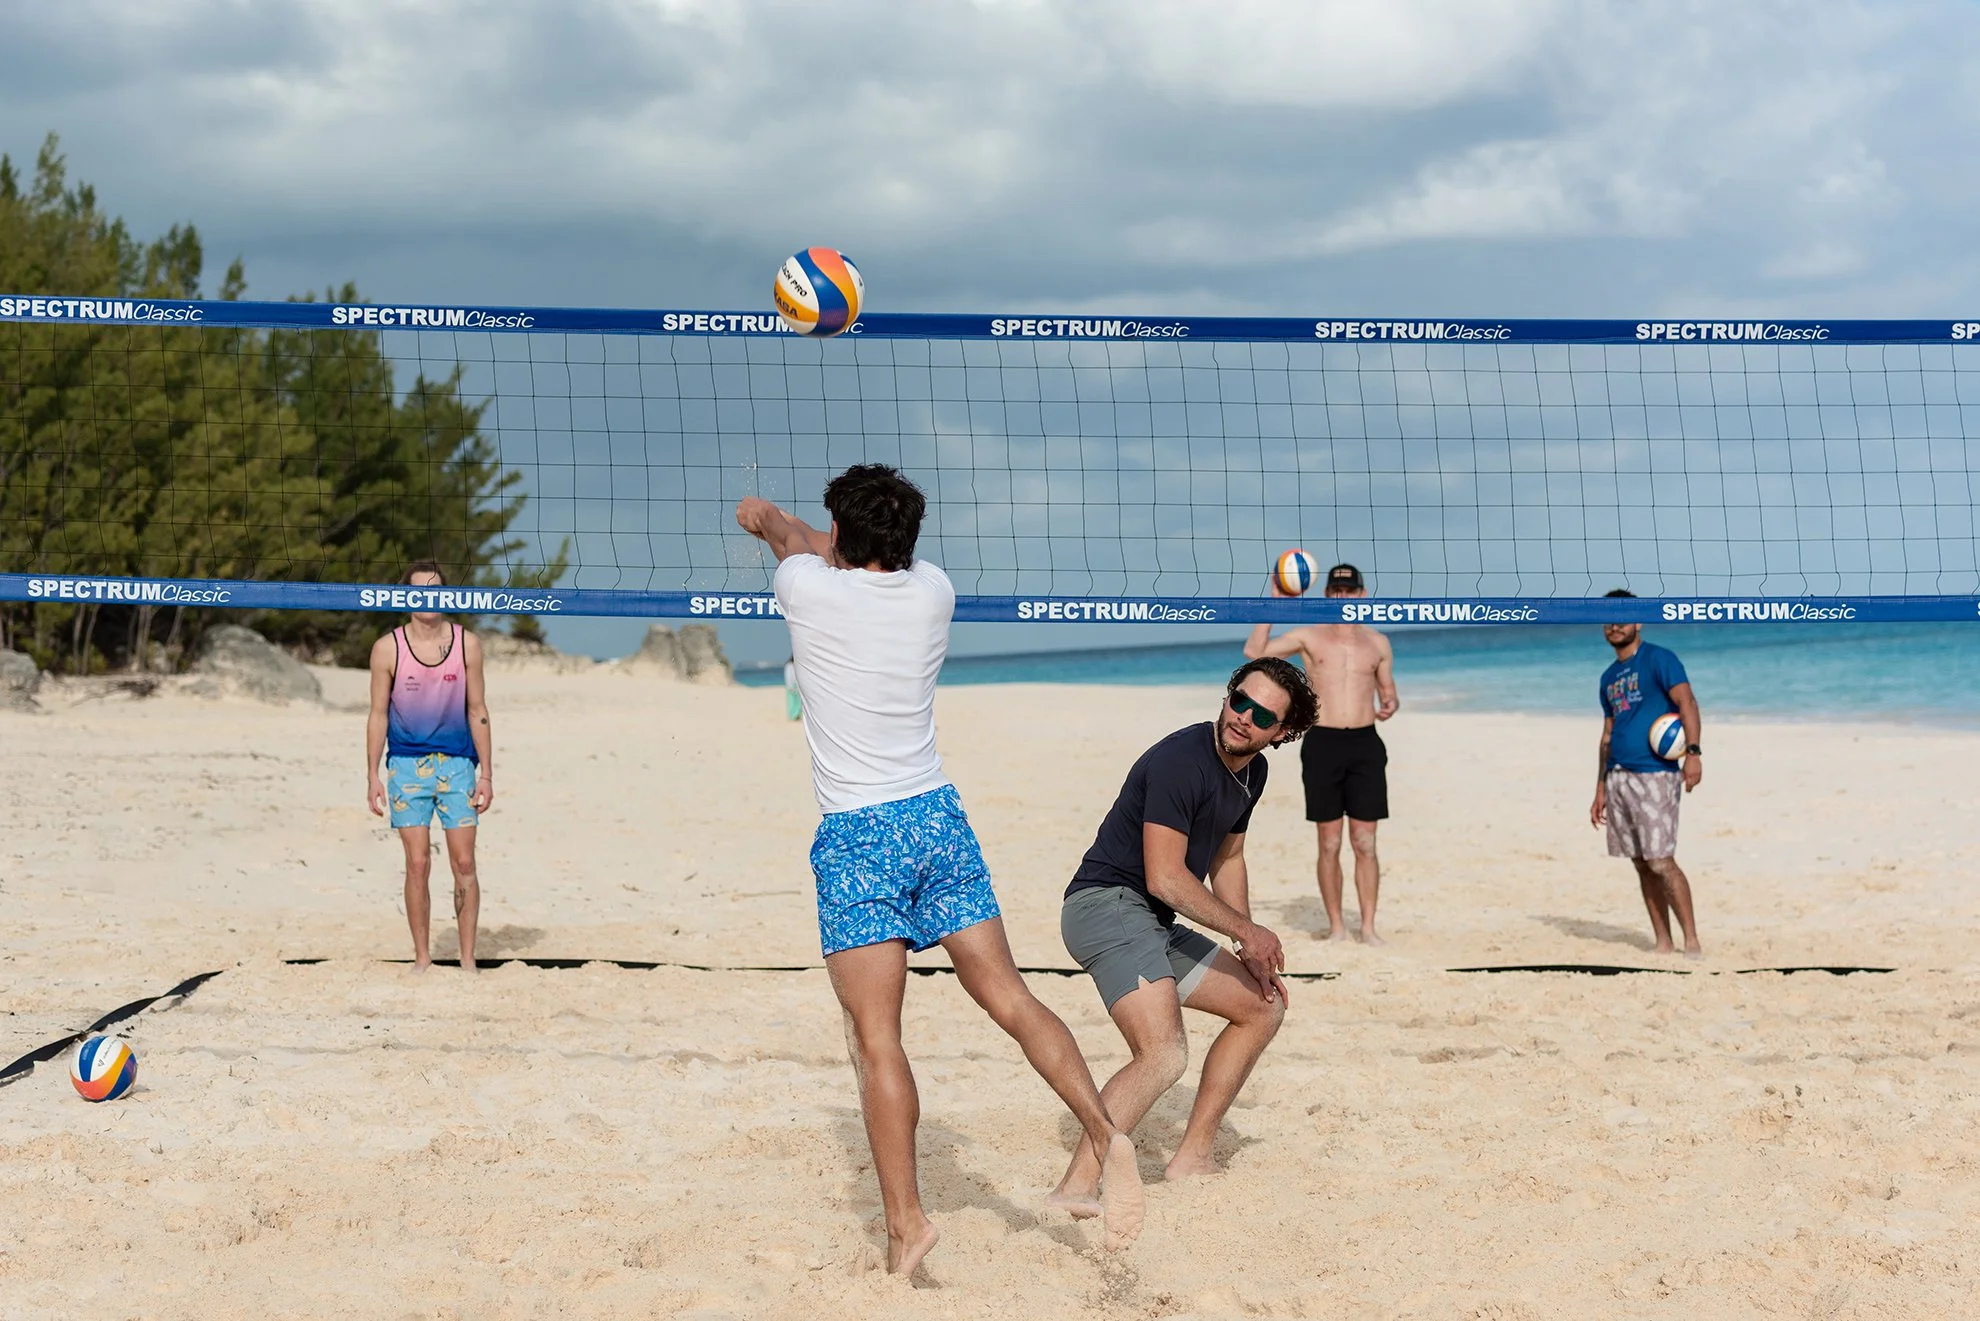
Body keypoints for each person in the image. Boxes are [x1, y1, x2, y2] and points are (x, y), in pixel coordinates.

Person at [734, 465, 1143, 1275]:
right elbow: (830, 544)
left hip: (859, 834)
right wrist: (829, 533)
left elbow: (785, 533)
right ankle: (1105, 1132)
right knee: (1012, 995)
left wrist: (763, 514)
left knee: (876, 1038)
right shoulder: (935, 591)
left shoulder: (805, 586)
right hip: (936, 818)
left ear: (841, 540)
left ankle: (907, 1224)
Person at [1048, 657, 1317, 1211]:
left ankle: (1192, 1156)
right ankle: (1073, 1189)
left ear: (1281, 733)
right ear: (1227, 695)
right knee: (1163, 1054)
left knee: (1262, 1007)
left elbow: (1230, 856)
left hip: (1154, 919)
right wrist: (1248, 928)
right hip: (1107, 905)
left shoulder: (1253, 771)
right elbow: (1165, 877)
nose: (1243, 717)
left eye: (1261, 714)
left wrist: (1247, 945)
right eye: (1239, 699)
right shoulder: (1181, 759)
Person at [1243, 562, 1399, 943]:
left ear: (1361, 595)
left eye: (1349, 591)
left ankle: (1368, 927)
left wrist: (1390, 703)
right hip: (1323, 744)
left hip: (1365, 743)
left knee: (1365, 842)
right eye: (1336, 591)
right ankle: (1337, 928)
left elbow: (1388, 691)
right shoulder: (1310, 637)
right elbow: (1254, 653)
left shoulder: (1377, 642)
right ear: (1327, 595)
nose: (1342, 597)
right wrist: (1275, 606)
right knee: (1329, 842)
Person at [366, 561, 493, 971]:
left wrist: (487, 772)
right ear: (405, 598)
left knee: (465, 864)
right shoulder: (388, 648)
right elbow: (377, 715)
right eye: (418, 591)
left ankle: (468, 960)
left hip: (457, 766)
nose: (427, 599)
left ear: (447, 595)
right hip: (405, 766)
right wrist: (372, 774)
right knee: (418, 863)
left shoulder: (467, 644)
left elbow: (478, 710)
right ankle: (422, 959)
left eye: (435, 590)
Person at [1590, 588, 1703, 956]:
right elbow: (1607, 735)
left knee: (1660, 860)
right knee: (1640, 863)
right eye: (1609, 618)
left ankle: (1692, 941)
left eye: (1623, 617)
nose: (1615, 624)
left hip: (1656, 773)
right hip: (1619, 776)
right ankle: (1663, 942)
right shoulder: (1608, 677)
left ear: (1638, 621)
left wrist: (1694, 754)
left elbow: (1687, 702)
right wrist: (1601, 788)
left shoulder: (1660, 659)